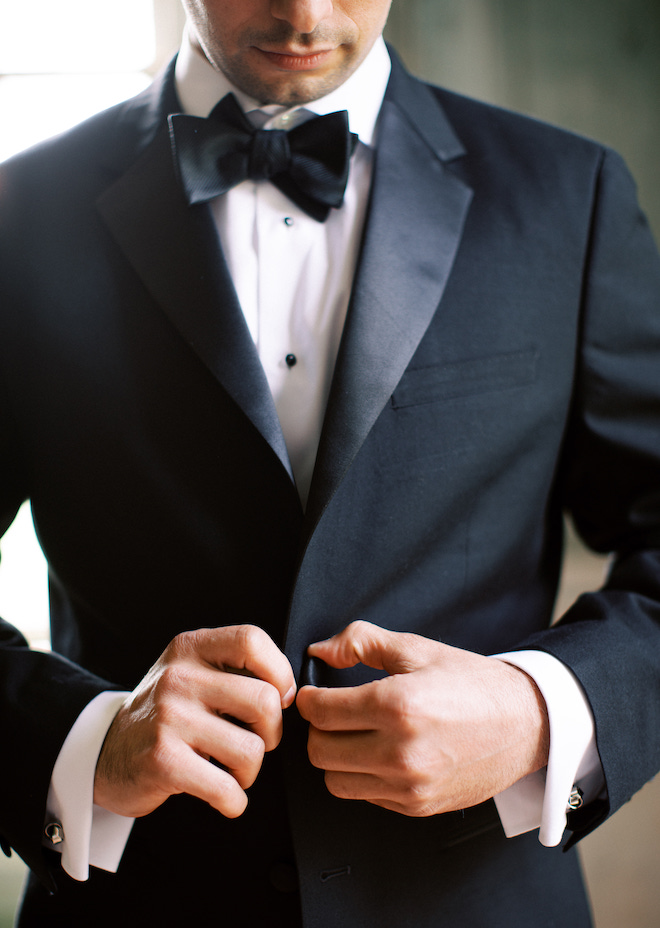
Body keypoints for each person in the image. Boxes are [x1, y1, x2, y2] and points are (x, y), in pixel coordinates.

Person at [1, 0, 659, 924]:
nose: (305, 10)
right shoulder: (17, 217)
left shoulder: (570, 195)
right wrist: (79, 741)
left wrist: (539, 711)